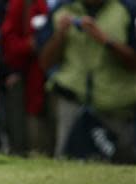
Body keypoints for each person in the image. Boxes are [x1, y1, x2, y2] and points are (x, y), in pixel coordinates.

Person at [39, 0, 136, 163]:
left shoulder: (128, 8)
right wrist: (60, 35)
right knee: (67, 163)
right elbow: (45, 63)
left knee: (120, 165)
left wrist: (105, 39)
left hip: (116, 105)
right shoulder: (62, 8)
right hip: (72, 101)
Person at [1, 0, 54, 156]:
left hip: (57, 81)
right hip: (27, 80)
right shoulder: (22, 4)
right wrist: (29, 45)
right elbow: (9, 43)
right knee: (27, 138)